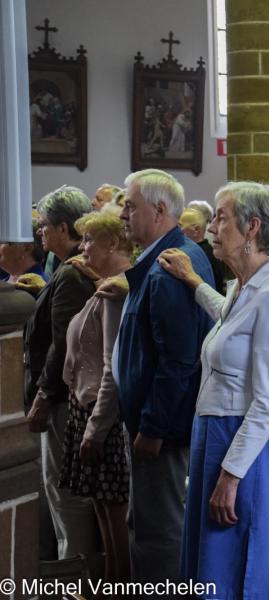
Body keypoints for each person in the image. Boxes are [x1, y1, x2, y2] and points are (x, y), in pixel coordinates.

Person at [157, 182, 269, 600]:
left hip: (246, 443)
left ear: (253, 227)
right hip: (219, 434)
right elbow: (228, 317)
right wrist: (191, 280)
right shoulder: (242, 287)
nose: (212, 226)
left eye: (221, 217)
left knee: (232, 566)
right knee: (207, 562)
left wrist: (232, 474)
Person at [111, 168, 215, 588]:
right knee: (148, 522)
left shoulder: (172, 265)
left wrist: (153, 426)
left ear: (158, 210)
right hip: (153, 421)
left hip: (162, 428)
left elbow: (178, 360)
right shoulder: (159, 258)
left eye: (129, 206)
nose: (122, 215)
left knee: (158, 532)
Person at [58, 211, 133, 583]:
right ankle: (112, 583)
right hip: (85, 407)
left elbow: (111, 368)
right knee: (102, 508)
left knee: (114, 511)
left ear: (113, 243)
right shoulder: (106, 285)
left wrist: (96, 428)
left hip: (100, 415)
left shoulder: (116, 293)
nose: (82, 247)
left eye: (89, 240)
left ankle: (121, 586)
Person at [23, 186, 96, 559]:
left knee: (66, 501)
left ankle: (73, 581)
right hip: (68, 400)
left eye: (45, 226)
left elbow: (63, 344)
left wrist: (41, 396)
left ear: (64, 228)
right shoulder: (69, 271)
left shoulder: (71, 274)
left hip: (63, 404)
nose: (40, 233)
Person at [180, 206, 228, 293]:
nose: (177, 231)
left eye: (180, 226)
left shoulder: (194, 255)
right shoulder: (210, 251)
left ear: (196, 229)